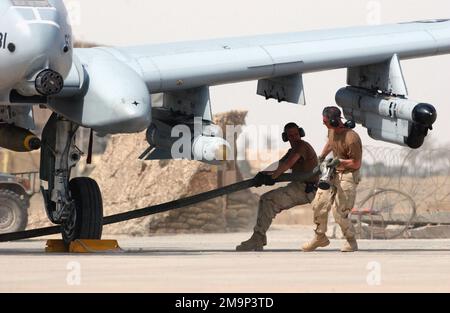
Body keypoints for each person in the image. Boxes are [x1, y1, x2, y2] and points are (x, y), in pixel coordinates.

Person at [236, 122, 319, 251]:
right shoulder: (292, 150)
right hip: (299, 186)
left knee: (268, 200)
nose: (294, 137)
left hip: (305, 189)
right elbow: (279, 164)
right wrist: (262, 174)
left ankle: (257, 238)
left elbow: (287, 165)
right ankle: (259, 237)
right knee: (266, 200)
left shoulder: (301, 146)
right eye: (291, 135)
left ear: (301, 134)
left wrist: (272, 177)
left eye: (296, 134)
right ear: (286, 137)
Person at [302, 106, 362, 252]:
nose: (324, 124)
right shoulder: (331, 130)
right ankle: (320, 237)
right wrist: (322, 156)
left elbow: (356, 163)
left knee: (339, 212)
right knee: (319, 204)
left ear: (335, 121)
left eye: (325, 121)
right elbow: (331, 141)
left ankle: (351, 241)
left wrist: (339, 161)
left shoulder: (352, 138)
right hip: (332, 172)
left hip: (348, 174)